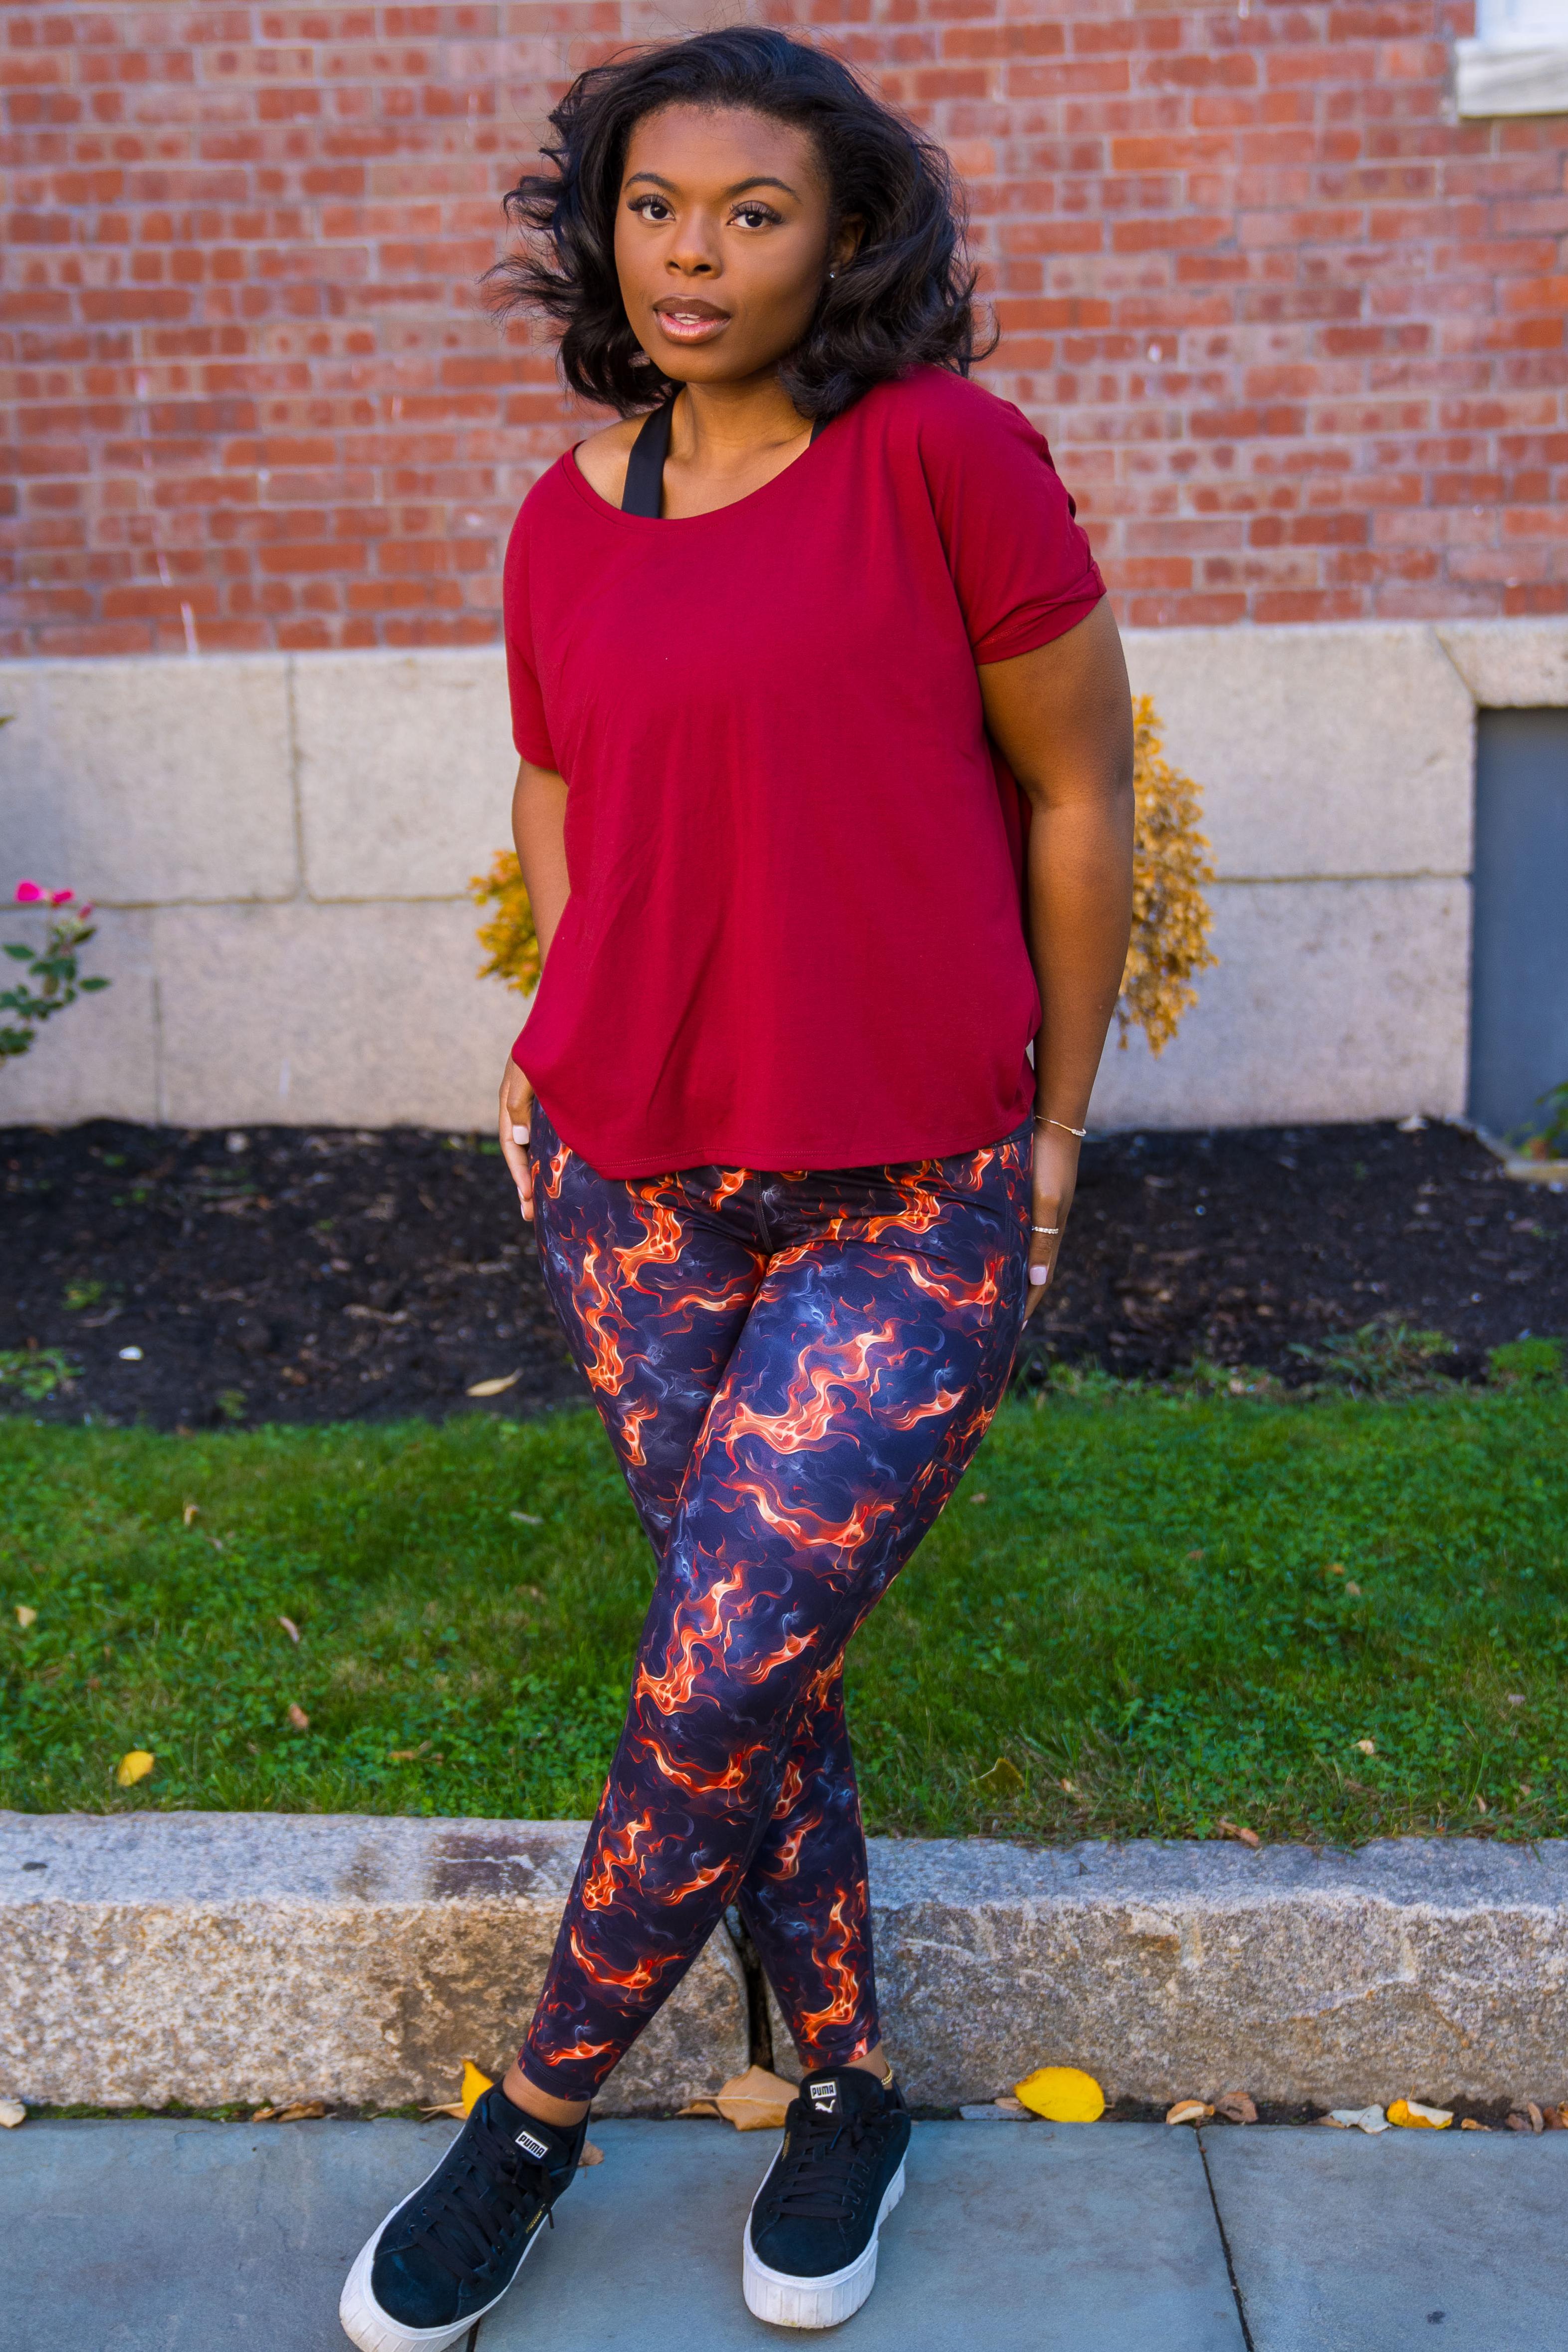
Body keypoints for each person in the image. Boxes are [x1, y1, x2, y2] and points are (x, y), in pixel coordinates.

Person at [340, 25, 1133, 2351]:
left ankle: (529, 2122)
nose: (693, 255)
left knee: (707, 1682)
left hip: (912, 1182)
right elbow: (567, 790)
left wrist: (1057, 1122)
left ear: (850, 236)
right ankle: (854, 2095)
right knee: (756, 1663)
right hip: (629, 1183)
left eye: (754, 212)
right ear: (603, 227)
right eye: (655, 206)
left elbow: (1080, 795)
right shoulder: (566, 515)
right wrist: (551, 1019)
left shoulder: (948, 461)